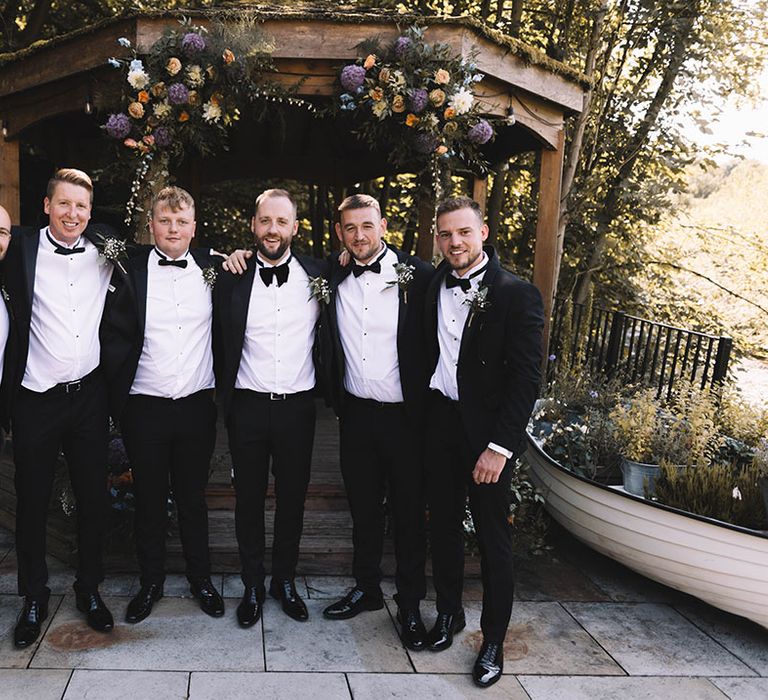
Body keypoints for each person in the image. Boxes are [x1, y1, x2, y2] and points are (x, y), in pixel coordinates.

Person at [424, 196, 544, 688]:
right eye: (446, 234)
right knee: (444, 528)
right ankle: (449, 614)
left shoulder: (517, 294)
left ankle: (492, 639)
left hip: (487, 438)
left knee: (494, 540)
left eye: (464, 233)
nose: (455, 242)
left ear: (484, 232)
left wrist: (500, 446)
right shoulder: (430, 281)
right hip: (438, 426)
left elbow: (526, 379)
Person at [3, 169, 122, 647]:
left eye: (81, 206)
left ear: (90, 213)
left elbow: (162, 258)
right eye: (64, 204)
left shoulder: (106, 248)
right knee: (31, 502)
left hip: (89, 398)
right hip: (35, 398)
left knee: (94, 499)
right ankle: (33, 598)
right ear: (48, 206)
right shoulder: (21, 248)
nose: (73, 213)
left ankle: (89, 590)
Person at [100, 186, 224, 623]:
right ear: (150, 225)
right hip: (144, 406)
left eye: (182, 221)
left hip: (195, 406)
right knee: (149, 499)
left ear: (194, 227)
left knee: (192, 498)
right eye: (165, 221)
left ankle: (201, 580)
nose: (173, 228)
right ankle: (150, 582)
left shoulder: (215, 267)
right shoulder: (126, 268)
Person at [322, 194, 432, 651]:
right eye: (350, 228)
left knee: (408, 515)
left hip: (407, 420)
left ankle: (409, 605)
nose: (360, 236)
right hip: (356, 416)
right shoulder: (331, 274)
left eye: (367, 226)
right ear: (339, 233)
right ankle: (366, 589)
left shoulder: (420, 276)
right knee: (364, 510)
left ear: (383, 225)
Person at [215, 188, 331, 627]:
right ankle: (251, 584)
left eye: (282, 222)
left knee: (292, 500)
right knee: (247, 500)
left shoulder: (319, 274)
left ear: (295, 228)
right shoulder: (231, 275)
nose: (272, 230)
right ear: (253, 224)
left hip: (298, 409)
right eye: (265, 221)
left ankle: (284, 581)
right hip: (246, 405)